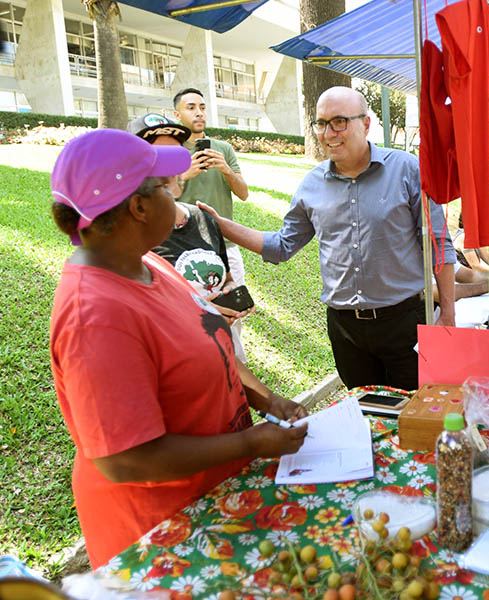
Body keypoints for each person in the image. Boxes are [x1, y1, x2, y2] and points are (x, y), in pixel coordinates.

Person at [48, 129, 308, 568]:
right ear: (139, 206)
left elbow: (208, 333)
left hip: (212, 502)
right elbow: (125, 460)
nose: (178, 195)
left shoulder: (147, 263)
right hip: (158, 536)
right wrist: (248, 444)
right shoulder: (95, 316)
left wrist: (269, 398)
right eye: (167, 187)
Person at [199, 86, 456, 391]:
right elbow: (282, 246)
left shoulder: (407, 170)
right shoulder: (312, 185)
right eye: (321, 123)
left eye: (339, 121)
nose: (328, 133)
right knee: (365, 415)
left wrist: (448, 315)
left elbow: (439, 245)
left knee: (415, 413)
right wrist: (221, 225)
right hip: (346, 330)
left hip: (404, 323)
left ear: (366, 124)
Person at [127, 112, 250, 361]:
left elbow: (225, 277)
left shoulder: (202, 217)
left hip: (224, 359)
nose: (169, 169)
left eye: (176, 156)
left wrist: (230, 291)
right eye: (157, 157)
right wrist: (203, 311)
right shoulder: (125, 236)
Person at [173, 87, 250, 358]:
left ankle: (237, 371)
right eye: (191, 107)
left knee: (234, 312)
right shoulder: (172, 152)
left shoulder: (224, 149)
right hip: (186, 252)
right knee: (193, 316)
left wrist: (226, 170)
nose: (199, 113)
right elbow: (162, 196)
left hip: (226, 246)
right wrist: (187, 174)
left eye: (202, 107)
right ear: (177, 114)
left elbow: (243, 193)